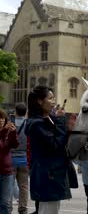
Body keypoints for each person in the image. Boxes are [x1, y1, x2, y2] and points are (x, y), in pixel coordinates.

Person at [25, 86, 72, 214]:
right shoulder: (37, 123)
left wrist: (58, 119)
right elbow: (54, 145)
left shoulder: (47, 118)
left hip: (52, 173)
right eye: (50, 98)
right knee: (48, 210)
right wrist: (62, 122)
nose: (53, 101)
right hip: (48, 175)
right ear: (40, 101)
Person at [0, 109, 19, 214]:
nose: (1, 120)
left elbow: (14, 145)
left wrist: (13, 132)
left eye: (2, 118)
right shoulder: (3, 132)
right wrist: (3, 131)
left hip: (7, 172)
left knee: (6, 203)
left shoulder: (7, 131)